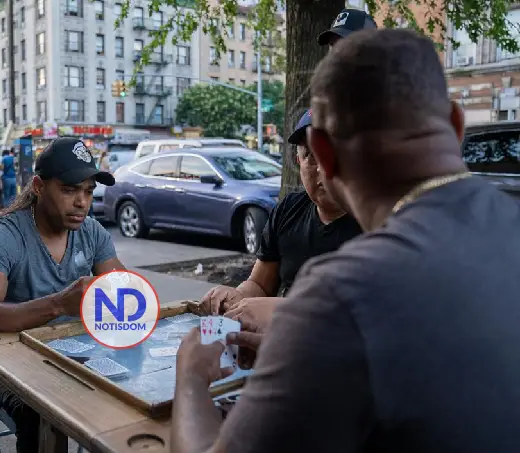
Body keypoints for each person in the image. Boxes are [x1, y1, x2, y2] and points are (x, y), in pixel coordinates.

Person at [173, 28, 520, 453]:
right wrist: (302, 353)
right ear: (455, 124)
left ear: (323, 153)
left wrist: (191, 375)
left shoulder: (341, 294)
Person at [0, 137, 124, 453]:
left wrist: (125, 297)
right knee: (44, 414)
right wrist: (59, 304)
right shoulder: (4, 237)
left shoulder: (92, 232)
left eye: (88, 191)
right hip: (9, 365)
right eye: (69, 190)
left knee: (136, 389)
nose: (82, 202)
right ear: (38, 187)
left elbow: (127, 292)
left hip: (78, 352)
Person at [199, 109, 362, 331]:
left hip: (338, 348)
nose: (323, 169)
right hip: (281, 342)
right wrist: (237, 296)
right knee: (202, 341)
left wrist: (280, 310)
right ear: (298, 161)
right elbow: (259, 285)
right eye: (311, 156)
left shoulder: (378, 223)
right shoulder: (288, 209)